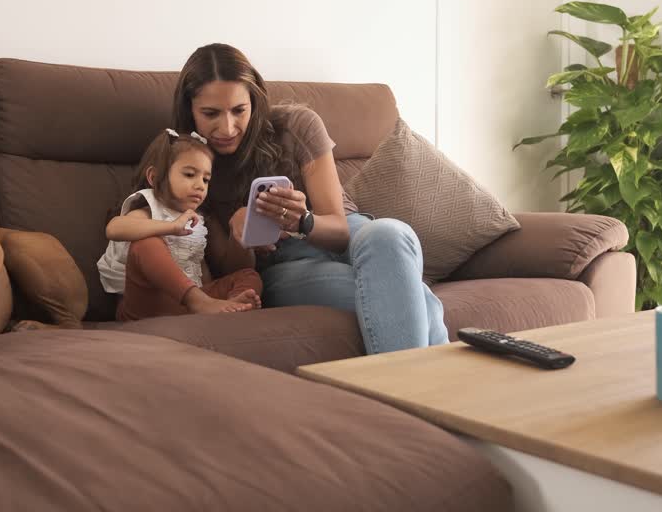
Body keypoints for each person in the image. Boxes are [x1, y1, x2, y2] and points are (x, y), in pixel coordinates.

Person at [173, 43, 447, 354]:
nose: (227, 127)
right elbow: (230, 274)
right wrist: (243, 237)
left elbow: (340, 230)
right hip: (281, 266)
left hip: (343, 234)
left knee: (390, 233)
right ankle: (421, 393)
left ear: (254, 102)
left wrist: (304, 220)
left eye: (239, 111)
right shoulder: (188, 165)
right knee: (417, 300)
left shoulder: (295, 125)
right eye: (210, 114)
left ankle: (403, 394)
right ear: (189, 110)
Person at [98, 128, 262, 321]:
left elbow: (198, 267)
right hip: (145, 306)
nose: (200, 185)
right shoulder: (150, 208)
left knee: (248, 275)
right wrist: (171, 227)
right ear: (154, 177)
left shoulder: (197, 219)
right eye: (190, 174)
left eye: (206, 179)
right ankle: (200, 302)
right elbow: (114, 228)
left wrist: (210, 297)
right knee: (145, 243)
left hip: (187, 307)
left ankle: (233, 306)